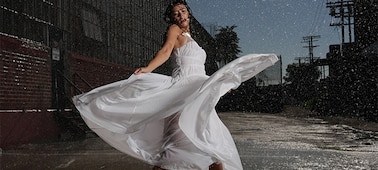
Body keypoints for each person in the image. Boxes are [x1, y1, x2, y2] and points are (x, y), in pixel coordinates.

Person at [73, 0, 278, 169]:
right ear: (172, 19)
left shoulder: (192, 39)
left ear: (188, 12)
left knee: (209, 141)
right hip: (183, 90)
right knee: (179, 144)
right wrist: (148, 68)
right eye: (176, 13)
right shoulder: (174, 31)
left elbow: (200, 71)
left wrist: (218, 85)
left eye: (182, 11)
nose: (180, 15)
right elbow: (165, 51)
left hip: (196, 90)